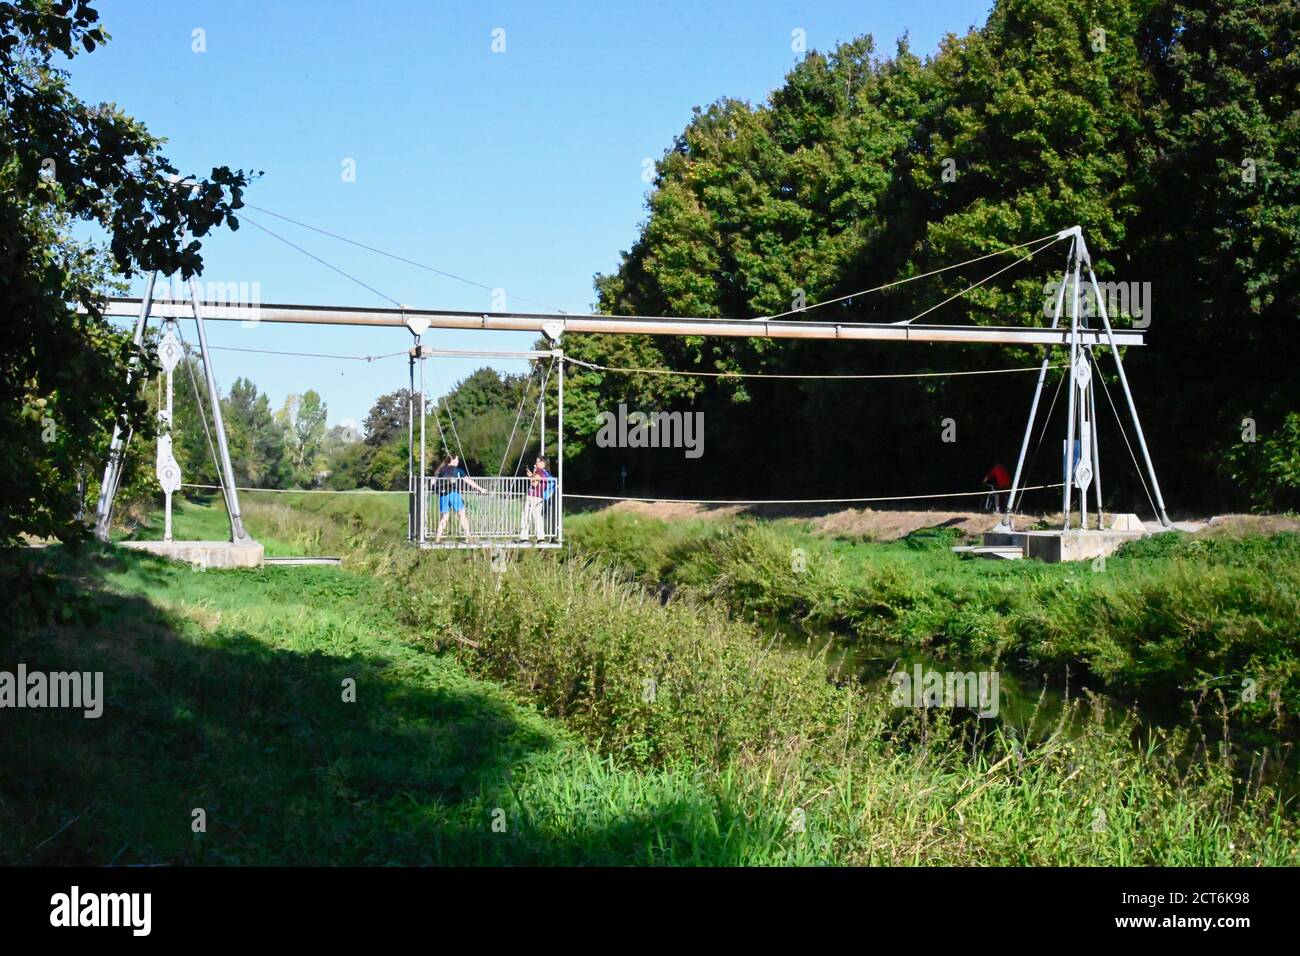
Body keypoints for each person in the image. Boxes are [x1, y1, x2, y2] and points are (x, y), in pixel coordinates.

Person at [433, 454, 487, 542]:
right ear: (452, 460)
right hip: (453, 494)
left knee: (444, 517)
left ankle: (437, 538)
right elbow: (468, 481)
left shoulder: (441, 470)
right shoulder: (457, 470)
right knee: (462, 515)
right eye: (457, 459)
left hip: (443, 495)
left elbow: (434, 481)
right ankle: (468, 537)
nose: (458, 461)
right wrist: (480, 489)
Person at [520, 455, 552, 541]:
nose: (536, 463)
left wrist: (531, 476)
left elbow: (534, 483)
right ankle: (541, 537)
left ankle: (524, 537)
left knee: (526, 516)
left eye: (537, 461)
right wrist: (532, 475)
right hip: (539, 496)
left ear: (543, 463)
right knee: (538, 517)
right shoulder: (545, 472)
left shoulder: (540, 471)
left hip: (533, 496)